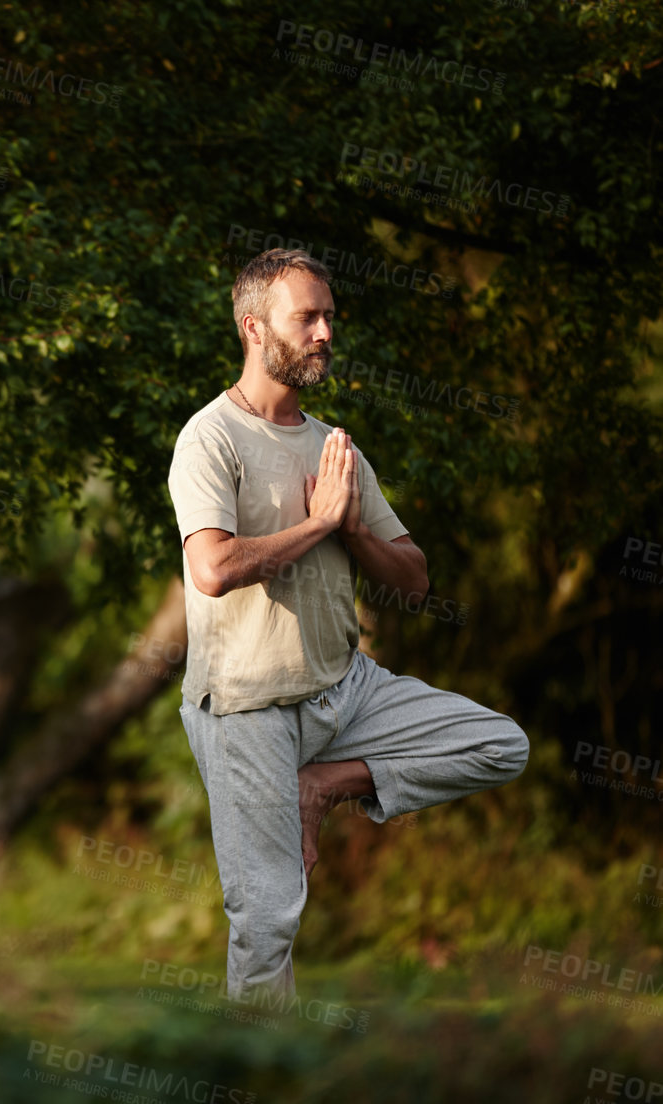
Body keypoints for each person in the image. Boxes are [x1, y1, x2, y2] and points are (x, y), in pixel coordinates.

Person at [165, 247, 528, 999]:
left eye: (330, 316)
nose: (326, 332)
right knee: (267, 919)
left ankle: (323, 787)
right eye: (308, 317)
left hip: (345, 691)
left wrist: (352, 527)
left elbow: (414, 577)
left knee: (500, 744)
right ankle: (261, 1096)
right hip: (247, 710)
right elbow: (213, 567)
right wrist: (318, 522)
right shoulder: (210, 439)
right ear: (254, 328)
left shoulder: (336, 448)